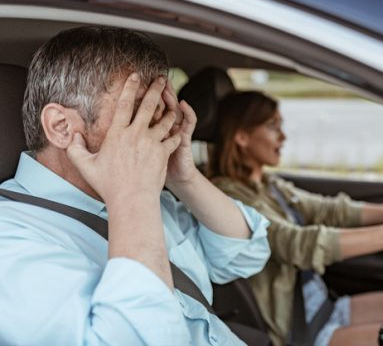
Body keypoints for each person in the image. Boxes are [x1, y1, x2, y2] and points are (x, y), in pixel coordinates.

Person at [0, 26, 271, 345]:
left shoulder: (153, 198)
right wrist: (132, 197)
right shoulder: (14, 241)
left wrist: (183, 177)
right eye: (138, 117)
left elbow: (245, 255)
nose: (159, 134)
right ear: (62, 127)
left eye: (160, 115)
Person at [209, 90, 383, 346]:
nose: (283, 136)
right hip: (300, 332)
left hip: (323, 306)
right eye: (272, 126)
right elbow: (298, 244)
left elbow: (329, 210)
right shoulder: (228, 196)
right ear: (242, 136)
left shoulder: (268, 184)